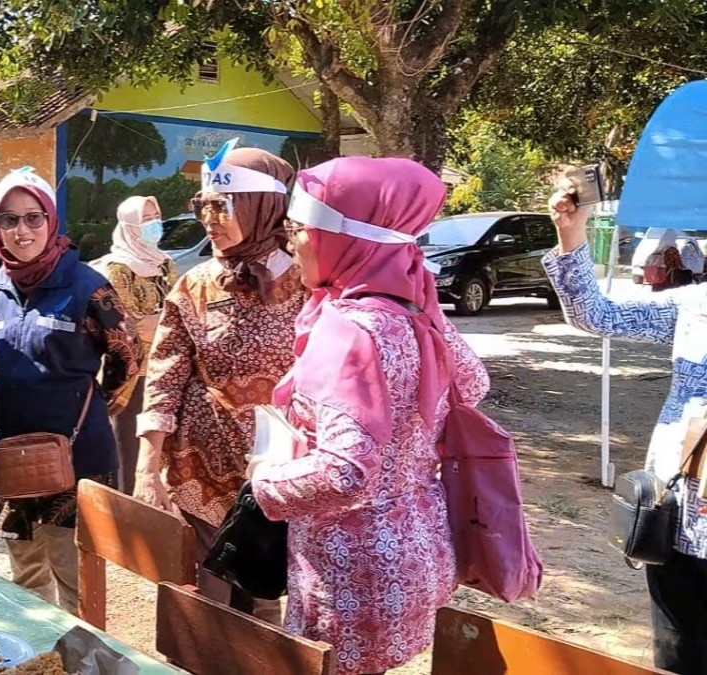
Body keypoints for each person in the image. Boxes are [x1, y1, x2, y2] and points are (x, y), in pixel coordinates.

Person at [248, 158, 489, 675]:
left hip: (350, 571)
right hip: (418, 549)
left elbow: (345, 472)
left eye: (299, 229)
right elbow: (473, 383)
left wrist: (264, 481)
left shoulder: (350, 330)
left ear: (344, 238)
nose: (293, 242)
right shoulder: (415, 308)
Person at [133, 140, 304, 623]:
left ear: (263, 206)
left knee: (264, 604)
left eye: (223, 205)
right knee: (201, 606)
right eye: (203, 204)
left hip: (275, 479)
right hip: (198, 474)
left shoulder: (309, 283)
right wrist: (149, 466)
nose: (210, 217)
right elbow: (165, 375)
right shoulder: (194, 284)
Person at [0, 167, 138, 613]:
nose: (22, 231)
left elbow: (127, 357)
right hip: (4, 461)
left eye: (34, 218)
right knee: (25, 579)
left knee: (77, 582)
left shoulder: (89, 288)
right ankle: (38, 660)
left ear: (52, 221)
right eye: (9, 219)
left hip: (75, 462)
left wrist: (99, 406)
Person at [547, 183, 707, 674]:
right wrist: (571, 234)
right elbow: (597, 315)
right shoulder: (696, 305)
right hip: (685, 519)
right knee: (680, 655)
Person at [90, 195, 176, 495]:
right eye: (146, 219)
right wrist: (157, 323)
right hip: (131, 374)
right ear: (129, 225)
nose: (154, 224)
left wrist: (158, 324)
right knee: (126, 442)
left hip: (164, 370)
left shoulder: (165, 264)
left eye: (156, 216)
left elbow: (173, 313)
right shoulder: (117, 268)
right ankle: (124, 512)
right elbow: (124, 326)